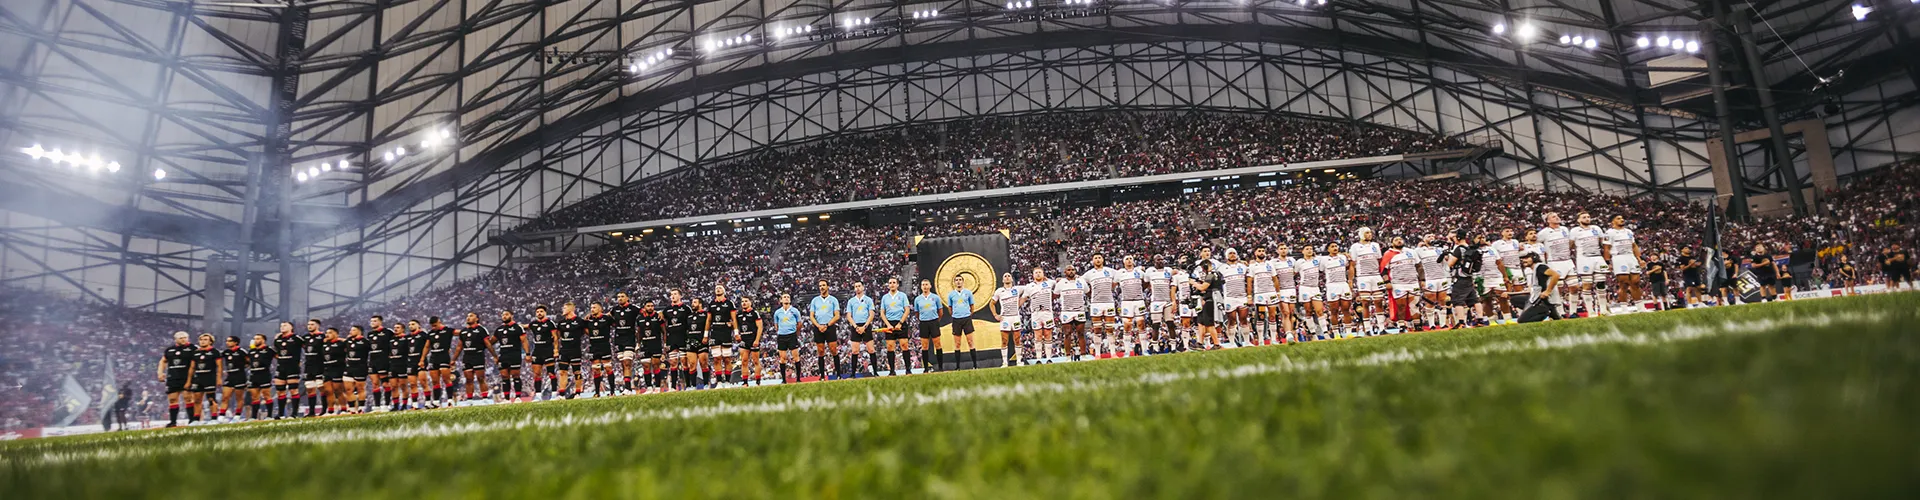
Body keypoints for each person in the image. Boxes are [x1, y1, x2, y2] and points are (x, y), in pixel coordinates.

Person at [1569, 212, 1611, 315]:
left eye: (1588, 217)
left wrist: (1607, 259)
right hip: (1584, 259)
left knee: (1601, 283)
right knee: (1587, 285)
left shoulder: (1596, 228)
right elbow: (1570, 245)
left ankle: (1603, 310)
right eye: (1584, 217)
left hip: (1597, 257)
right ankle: (1591, 311)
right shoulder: (1574, 231)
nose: (1587, 219)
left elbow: (1604, 243)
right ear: (1578, 220)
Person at [1349, 228, 1387, 335]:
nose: (1369, 234)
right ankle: (1367, 329)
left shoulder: (1375, 245)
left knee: (1379, 302)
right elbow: (1352, 264)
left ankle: (1382, 328)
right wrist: (1351, 280)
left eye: (1370, 232)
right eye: (1367, 232)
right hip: (1363, 277)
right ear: (1361, 234)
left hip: (1376, 276)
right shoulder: (1355, 247)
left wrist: (1383, 276)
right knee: (1365, 303)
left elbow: (1380, 261)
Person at [1538, 213, 1577, 317]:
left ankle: (1573, 312)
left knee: (1575, 287)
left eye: (1557, 216)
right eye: (1553, 217)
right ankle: (1561, 312)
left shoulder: (1565, 229)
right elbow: (1534, 242)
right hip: (1554, 262)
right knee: (1558, 289)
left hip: (1568, 261)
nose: (1557, 217)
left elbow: (1570, 243)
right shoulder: (1544, 233)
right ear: (1548, 221)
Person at [1443, 230, 1481, 328]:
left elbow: (1450, 263)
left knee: (1457, 300)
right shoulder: (1470, 248)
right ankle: (1480, 319)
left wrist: (1449, 257)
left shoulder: (1459, 249)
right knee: (1474, 299)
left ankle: (1461, 322)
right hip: (1469, 276)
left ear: (1458, 238)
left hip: (1460, 277)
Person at [1083, 254, 1118, 358]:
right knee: (1097, 329)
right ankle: (1097, 354)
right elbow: (1080, 282)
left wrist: (1112, 287)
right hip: (1096, 303)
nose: (1097, 260)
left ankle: (1113, 353)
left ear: (1103, 259)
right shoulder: (1089, 274)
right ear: (1092, 261)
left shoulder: (1111, 271)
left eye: (1099, 258)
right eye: (1095, 258)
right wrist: (1090, 293)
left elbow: (1119, 278)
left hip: (1109, 302)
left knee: (1110, 329)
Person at [1605, 215, 1642, 310]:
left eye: (1622, 218)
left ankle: (1640, 307)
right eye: (1618, 218)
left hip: (1631, 257)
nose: (1621, 219)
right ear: (1612, 222)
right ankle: (1624, 308)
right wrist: (1608, 262)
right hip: (1619, 257)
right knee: (1624, 283)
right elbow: (1606, 248)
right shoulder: (1610, 232)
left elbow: (1634, 246)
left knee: (1636, 282)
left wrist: (1640, 259)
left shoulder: (1629, 232)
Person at [1516, 252, 1565, 323]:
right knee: (1514, 300)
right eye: (1522, 259)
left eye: (1526, 258)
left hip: (1544, 300)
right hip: (1540, 299)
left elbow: (1556, 275)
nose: (1523, 260)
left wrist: (1548, 291)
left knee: (1522, 321)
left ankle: (1546, 312)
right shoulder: (1535, 269)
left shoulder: (1540, 267)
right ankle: (1552, 313)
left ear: (1534, 258)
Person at [158, 331, 194, 427]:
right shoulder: (170, 350)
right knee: (173, 399)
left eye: (185, 337)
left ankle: (192, 421)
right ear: (176, 339)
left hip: (186, 377)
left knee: (188, 398)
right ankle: (173, 422)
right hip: (173, 378)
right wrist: (160, 373)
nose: (184, 339)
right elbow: (163, 361)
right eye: (181, 338)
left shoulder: (193, 348)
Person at [807, 280, 842, 379]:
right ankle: (822, 376)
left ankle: (838, 374)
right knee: (821, 351)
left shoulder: (833, 300)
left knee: (833, 350)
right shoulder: (815, 300)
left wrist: (826, 325)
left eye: (823, 285)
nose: (821, 287)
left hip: (829, 327)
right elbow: (811, 316)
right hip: (818, 327)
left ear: (828, 286)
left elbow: (837, 315)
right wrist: (818, 326)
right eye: (820, 286)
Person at [705, 286, 739, 387]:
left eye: (720, 288)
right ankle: (719, 382)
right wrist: (706, 335)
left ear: (724, 291)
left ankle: (728, 382)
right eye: (716, 288)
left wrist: (736, 332)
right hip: (715, 331)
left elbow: (734, 319)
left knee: (727, 358)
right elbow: (708, 320)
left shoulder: (729, 303)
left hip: (726, 331)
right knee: (716, 358)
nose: (718, 289)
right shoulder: (711, 304)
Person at [661, 290, 695, 390]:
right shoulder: (666, 310)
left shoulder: (686, 308)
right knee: (673, 362)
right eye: (671, 294)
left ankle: (688, 385)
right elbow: (662, 322)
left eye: (675, 294)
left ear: (680, 296)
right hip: (671, 338)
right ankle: (673, 387)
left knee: (685, 362)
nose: (673, 296)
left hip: (683, 337)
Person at [1023, 267, 1058, 363]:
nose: (1038, 274)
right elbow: (1023, 298)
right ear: (1033, 275)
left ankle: (1048, 358)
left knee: (1048, 334)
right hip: (1035, 313)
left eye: (1040, 272)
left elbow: (1059, 284)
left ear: (1043, 274)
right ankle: (1038, 359)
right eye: (1036, 273)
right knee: (1037, 336)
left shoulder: (1050, 283)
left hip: (1047, 312)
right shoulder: (1029, 286)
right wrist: (1015, 306)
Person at [1055, 266, 1090, 360]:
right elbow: (1055, 294)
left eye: (1073, 270)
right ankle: (1067, 356)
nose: (1071, 271)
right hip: (1067, 311)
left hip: (1079, 310)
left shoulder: (1081, 281)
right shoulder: (1061, 283)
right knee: (1067, 333)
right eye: (1069, 270)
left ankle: (1083, 355)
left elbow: (1088, 292)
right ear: (1065, 272)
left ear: (1075, 271)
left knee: (1081, 334)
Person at [610, 292, 642, 393]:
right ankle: (627, 386)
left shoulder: (633, 308)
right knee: (623, 364)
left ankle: (628, 388)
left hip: (630, 338)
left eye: (622, 296)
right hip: (618, 339)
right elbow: (607, 317)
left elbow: (644, 313)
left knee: (627, 362)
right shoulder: (615, 309)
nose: (620, 298)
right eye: (618, 297)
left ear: (627, 298)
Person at [1320, 243, 1355, 338]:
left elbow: (1350, 266)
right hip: (1332, 286)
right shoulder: (1323, 260)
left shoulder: (1343, 257)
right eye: (1332, 247)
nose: (1335, 248)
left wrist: (1350, 280)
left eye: (1336, 246)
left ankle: (1349, 333)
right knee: (1334, 310)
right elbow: (1320, 270)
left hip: (1343, 284)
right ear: (1328, 249)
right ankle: (1336, 334)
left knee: (1346, 309)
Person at [270, 321, 304, 419]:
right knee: (280, 391)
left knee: (293, 390)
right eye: (281, 325)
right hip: (281, 367)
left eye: (285, 325)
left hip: (292, 367)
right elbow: (276, 352)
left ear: (291, 327)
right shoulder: (278, 339)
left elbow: (307, 348)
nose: (282, 327)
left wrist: (298, 361)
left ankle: (294, 414)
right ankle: (281, 414)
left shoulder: (297, 338)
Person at [1116, 256, 1148, 356]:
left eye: (1130, 258)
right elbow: (1113, 284)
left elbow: (1146, 282)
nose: (1129, 260)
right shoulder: (1119, 273)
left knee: (1141, 325)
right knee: (1127, 326)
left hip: (1139, 301)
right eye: (1127, 259)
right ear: (1123, 262)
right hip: (1126, 302)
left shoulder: (1140, 272)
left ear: (1133, 261)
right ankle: (1126, 351)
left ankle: (1145, 350)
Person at [1248, 247, 1281, 344]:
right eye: (1259, 251)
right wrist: (1249, 296)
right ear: (1255, 253)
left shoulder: (1270, 264)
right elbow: (1249, 281)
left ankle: (1273, 339)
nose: (1261, 252)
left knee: (1272, 316)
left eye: (1263, 251)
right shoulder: (1252, 266)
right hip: (1260, 294)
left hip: (1271, 293)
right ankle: (1261, 339)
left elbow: (1275, 279)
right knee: (1261, 317)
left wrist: (1278, 292)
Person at [879, 278, 912, 375]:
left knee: (904, 345)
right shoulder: (885, 297)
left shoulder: (902, 296)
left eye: (894, 283)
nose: (892, 284)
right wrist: (888, 324)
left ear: (897, 284)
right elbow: (882, 312)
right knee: (890, 347)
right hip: (889, 323)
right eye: (890, 283)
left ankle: (908, 369)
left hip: (900, 322)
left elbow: (907, 310)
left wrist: (900, 323)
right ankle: (892, 371)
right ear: (888, 285)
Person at [526, 305, 560, 398]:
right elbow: (525, 327)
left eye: (541, 311)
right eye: (537, 312)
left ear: (545, 313)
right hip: (537, 350)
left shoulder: (550, 323)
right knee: (537, 374)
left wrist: (556, 349)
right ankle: (537, 395)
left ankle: (554, 394)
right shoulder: (533, 324)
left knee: (551, 373)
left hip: (548, 350)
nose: (539, 313)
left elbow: (556, 337)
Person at [493, 310, 528, 400]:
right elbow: (490, 342)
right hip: (503, 355)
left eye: (506, 314)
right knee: (504, 376)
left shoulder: (517, 327)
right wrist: (494, 355)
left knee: (515, 375)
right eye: (503, 315)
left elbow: (524, 341)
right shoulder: (499, 329)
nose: (504, 316)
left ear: (511, 315)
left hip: (514, 354)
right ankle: (506, 398)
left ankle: (518, 397)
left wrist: (527, 354)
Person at [187, 333, 222, 425]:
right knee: (197, 400)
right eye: (201, 339)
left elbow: (219, 366)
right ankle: (196, 419)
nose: (202, 341)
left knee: (211, 399)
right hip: (197, 378)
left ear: (210, 341)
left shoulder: (215, 352)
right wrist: (188, 381)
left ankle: (214, 418)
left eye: (205, 339)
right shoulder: (195, 352)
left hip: (210, 378)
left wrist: (219, 379)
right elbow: (192, 368)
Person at [1294, 245, 1327, 340]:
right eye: (1307, 249)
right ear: (1303, 251)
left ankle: (1325, 332)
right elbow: (1294, 273)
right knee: (1308, 311)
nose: (1309, 250)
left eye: (1311, 249)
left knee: (1320, 311)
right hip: (1304, 288)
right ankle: (1313, 334)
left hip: (1315, 288)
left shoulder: (1318, 259)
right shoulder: (1299, 262)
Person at [555, 303, 588, 398]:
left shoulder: (580, 321)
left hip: (575, 350)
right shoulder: (561, 323)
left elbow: (587, 332)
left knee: (577, 372)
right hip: (564, 351)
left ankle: (578, 393)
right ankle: (561, 394)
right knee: (562, 372)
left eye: (564, 308)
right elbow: (557, 337)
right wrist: (556, 349)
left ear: (570, 309)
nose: (562, 309)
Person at [946, 275, 980, 368]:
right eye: (956, 280)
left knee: (970, 342)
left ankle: (975, 365)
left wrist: (968, 315)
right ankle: (957, 367)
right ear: (954, 282)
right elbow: (950, 308)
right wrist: (955, 315)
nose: (958, 282)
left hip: (966, 319)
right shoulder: (951, 294)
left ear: (963, 282)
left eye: (960, 280)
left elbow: (972, 306)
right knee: (957, 343)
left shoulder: (968, 293)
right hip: (956, 320)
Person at [423, 316, 457, 407]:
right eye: (432, 326)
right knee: (435, 381)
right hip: (433, 358)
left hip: (444, 357)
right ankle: (436, 402)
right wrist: (422, 359)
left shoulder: (448, 330)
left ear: (439, 322)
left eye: (435, 325)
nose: (433, 327)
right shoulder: (430, 333)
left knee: (446, 379)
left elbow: (460, 333)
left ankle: (450, 400)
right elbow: (427, 347)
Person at [992, 272, 1024, 366]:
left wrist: (1021, 301)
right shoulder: (999, 291)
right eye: (1005, 276)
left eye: (1008, 276)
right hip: (1005, 318)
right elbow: (992, 303)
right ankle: (1005, 362)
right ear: (1002, 280)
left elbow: (1030, 288)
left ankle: (1019, 361)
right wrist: (995, 315)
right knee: (1004, 340)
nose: (1007, 277)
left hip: (1015, 317)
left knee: (1017, 339)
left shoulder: (1017, 289)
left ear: (1011, 279)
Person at [844, 282, 876, 377]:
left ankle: (875, 372)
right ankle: (853, 374)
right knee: (854, 351)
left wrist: (865, 326)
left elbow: (872, 314)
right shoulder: (851, 301)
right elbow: (849, 316)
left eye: (859, 286)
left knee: (871, 349)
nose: (857, 288)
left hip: (866, 325)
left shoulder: (868, 300)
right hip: (855, 326)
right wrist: (856, 327)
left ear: (863, 287)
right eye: (855, 287)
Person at [459, 312, 492, 402]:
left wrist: (495, 356)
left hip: (478, 356)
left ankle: (485, 398)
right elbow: (459, 347)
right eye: (467, 316)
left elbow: (488, 344)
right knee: (469, 379)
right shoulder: (463, 331)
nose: (468, 318)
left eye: (471, 316)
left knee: (480, 378)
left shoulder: (481, 330)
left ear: (477, 319)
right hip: (467, 357)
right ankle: (469, 400)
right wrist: (453, 359)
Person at [914, 279, 945, 372]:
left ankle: (940, 367)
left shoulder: (935, 297)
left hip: (934, 322)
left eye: (926, 284)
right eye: (923, 284)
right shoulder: (917, 299)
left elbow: (940, 312)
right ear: (921, 286)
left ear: (930, 286)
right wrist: (923, 319)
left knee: (938, 344)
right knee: (924, 346)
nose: (925, 286)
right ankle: (926, 368)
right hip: (923, 323)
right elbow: (917, 313)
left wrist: (935, 320)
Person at [365, 315, 394, 411]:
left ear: (380, 322)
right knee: (374, 384)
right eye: (371, 321)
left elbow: (394, 343)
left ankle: (386, 404)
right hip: (373, 361)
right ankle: (377, 406)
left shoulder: (388, 332)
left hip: (383, 360)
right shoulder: (370, 334)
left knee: (385, 384)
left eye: (374, 321)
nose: (372, 322)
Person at [586, 302, 615, 395]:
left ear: (600, 309)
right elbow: (585, 329)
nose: (592, 309)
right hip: (593, 347)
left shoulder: (606, 319)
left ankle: (612, 392)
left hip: (604, 345)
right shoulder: (588, 319)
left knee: (608, 368)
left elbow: (616, 323)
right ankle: (597, 393)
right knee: (596, 369)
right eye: (591, 307)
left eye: (594, 307)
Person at [773, 293, 804, 382]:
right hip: (782, 336)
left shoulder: (795, 311)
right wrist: (781, 331)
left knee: (796, 357)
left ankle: (798, 379)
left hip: (792, 335)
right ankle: (784, 380)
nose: (786, 299)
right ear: (781, 300)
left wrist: (796, 333)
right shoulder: (777, 312)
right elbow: (776, 324)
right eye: (784, 297)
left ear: (790, 300)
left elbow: (799, 323)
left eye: (788, 297)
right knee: (782, 358)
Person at [636, 301, 665, 392]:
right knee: (646, 366)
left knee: (656, 365)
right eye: (648, 306)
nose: (650, 307)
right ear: (644, 307)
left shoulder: (658, 317)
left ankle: (657, 387)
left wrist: (665, 344)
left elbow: (664, 331)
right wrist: (638, 344)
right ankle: (648, 387)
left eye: (652, 306)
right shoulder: (639, 318)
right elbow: (639, 332)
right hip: (644, 345)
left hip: (656, 344)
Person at [736, 296, 766, 384]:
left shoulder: (754, 313)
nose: (744, 303)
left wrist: (757, 340)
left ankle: (758, 381)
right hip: (744, 340)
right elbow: (736, 325)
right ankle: (745, 382)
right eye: (742, 301)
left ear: (750, 303)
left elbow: (760, 327)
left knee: (756, 361)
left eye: (746, 301)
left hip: (753, 340)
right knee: (744, 361)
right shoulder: (739, 314)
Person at [300, 320, 327, 417]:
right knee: (310, 389)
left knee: (322, 388)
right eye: (308, 324)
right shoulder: (305, 337)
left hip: (320, 365)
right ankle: (312, 412)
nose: (309, 326)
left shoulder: (323, 336)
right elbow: (302, 346)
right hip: (308, 366)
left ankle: (325, 410)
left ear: (318, 326)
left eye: (312, 324)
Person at [219, 336, 248, 422]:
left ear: (235, 342)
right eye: (226, 341)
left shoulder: (242, 351)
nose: (227, 343)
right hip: (230, 376)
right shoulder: (226, 352)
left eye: (229, 341)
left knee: (239, 397)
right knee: (225, 397)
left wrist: (243, 367)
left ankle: (237, 415)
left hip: (240, 376)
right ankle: (221, 416)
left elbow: (249, 361)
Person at [244, 334, 273, 420]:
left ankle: (269, 416)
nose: (256, 340)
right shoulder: (251, 352)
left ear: (263, 340)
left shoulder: (269, 350)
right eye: (255, 339)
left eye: (258, 339)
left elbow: (278, 357)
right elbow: (248, 362)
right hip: (254, 375)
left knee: (266, 395)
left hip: (264, 375)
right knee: (254, 397)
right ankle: (253, 417)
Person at [345, 326, 370, 413]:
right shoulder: (348, 341)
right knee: (348, 389)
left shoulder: (365, 342)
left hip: (360, 367)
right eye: (351, 330)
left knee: (360, 389)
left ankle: (361, 408)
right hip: (349, 368)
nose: (351, 331)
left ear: (359, 331)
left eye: (353, 330)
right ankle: (351, 409)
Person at [321, 328, 346, 415]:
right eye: (326, 333)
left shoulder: (341, 343)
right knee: (328, 391)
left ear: (336, 334)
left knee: (338, 390)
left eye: (330, 333)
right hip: (327, 369)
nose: (327, 334)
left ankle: (344, 409)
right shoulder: (324, 344)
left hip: (338, 369)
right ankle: (330, 411)